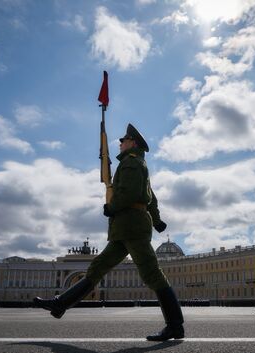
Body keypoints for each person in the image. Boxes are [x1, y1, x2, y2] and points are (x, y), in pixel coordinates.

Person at [34, 123, 184, 341]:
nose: (120, 143)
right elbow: (150, 197)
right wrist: (157, 220)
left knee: (152, 273)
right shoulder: (135, 163)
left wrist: (110, 207)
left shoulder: (131, 163)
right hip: (125, 229)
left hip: (131, 226)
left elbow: (132, 193)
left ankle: (175, 326)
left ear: (132, 143)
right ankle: (60, 304)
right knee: (97, 268)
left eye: (123, 140)